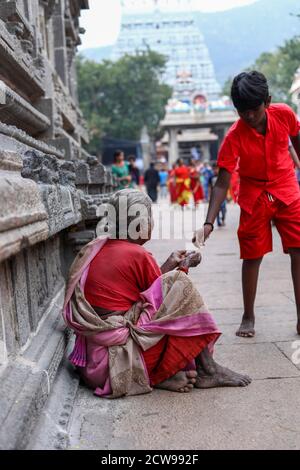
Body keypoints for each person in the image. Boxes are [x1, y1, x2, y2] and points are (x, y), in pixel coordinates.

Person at [63, 189, 251, 398]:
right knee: (180, 286)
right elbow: (165, 298)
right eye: (150, 217)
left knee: (173, 285)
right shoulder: (138, 254)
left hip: (93, 363)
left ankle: (165, 377)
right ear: (140, 224)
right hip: (120, 360)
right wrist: (184, 267)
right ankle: (207, 369)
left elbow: (149, 292)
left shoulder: (97, 247)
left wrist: (169, 264)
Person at [194, 71, 300, 338]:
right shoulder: (234, 136)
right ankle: (248, 315)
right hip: (254, 196)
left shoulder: (284, 114)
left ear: (268, 101)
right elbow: (221, 183)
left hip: (287, 188)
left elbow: (297, 139)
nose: (249, 117)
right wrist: (209, 222)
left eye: (254, 109)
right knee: (252, 255)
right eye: (242, 111)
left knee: (299, 250)